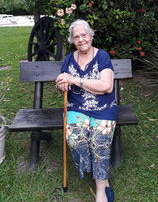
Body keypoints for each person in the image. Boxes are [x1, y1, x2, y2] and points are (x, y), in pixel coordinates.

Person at [55, 19, 117, 202]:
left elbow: (106, 87)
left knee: (100, 142)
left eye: (84, 35)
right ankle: (98, 172)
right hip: (76, 108)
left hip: (103, 110)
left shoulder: (103, 57)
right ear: (72, 40)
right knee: (76, 141)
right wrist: (62, 83)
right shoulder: (69, 58)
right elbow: (62, 82)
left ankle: (101, 186)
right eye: (76, 37)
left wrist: (75, 80)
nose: (81, 39)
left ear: (90, 35)